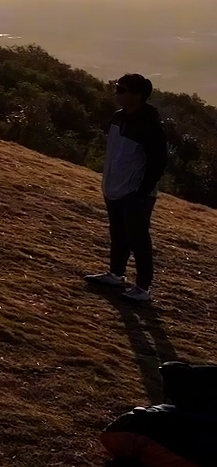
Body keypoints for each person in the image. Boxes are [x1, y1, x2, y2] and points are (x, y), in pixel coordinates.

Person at [86, 73, 170, 302]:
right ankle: (116, 274)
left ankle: (143, 288)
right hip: (114, 187)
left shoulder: (150, 127)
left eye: (121, 90)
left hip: (135, 191)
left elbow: (158, 162)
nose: (116, 93)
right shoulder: (117, 118)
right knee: (119, 234)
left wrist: (143, 190)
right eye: (117, 88)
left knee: (138, 238)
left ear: (137, 96)